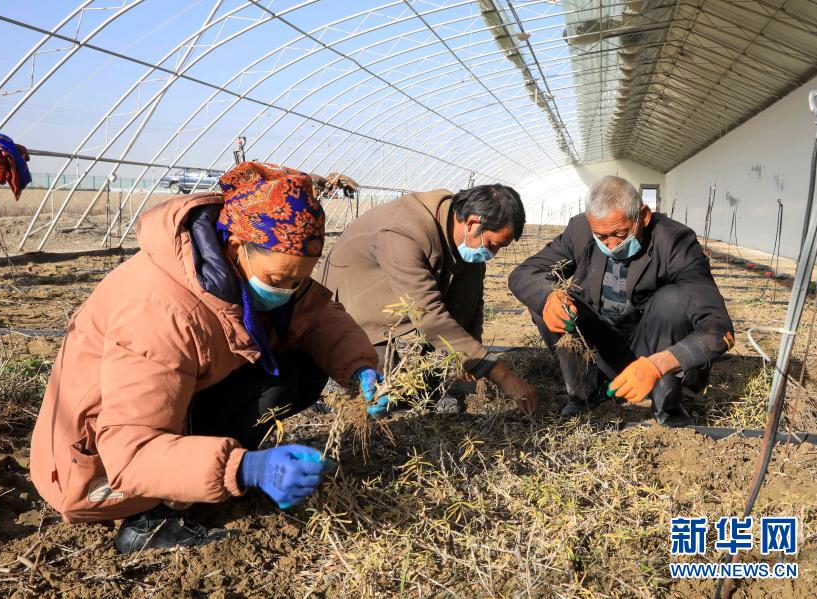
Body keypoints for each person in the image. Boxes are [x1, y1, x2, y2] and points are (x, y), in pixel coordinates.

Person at [30, 162, 382, 552]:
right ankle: (148, 521)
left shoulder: (239, 270)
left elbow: (314, 313)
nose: (289, 290)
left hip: (163, 420)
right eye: (280, 280)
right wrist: (246, 467)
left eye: (300, 279)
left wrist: (360, 366)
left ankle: (207, 473)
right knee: (272, 388)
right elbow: (130, 453)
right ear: (236, 247)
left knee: (294, 373)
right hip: (97, 468)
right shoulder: (160, 310)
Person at [508, 175, 734, 425]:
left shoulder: (674, 242)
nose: (612, 245)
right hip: (600, 344)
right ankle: (585, 394)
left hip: (651, 345)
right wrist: (549, 298)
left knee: (673, 301)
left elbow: (718, 327)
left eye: (620, 233)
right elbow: (525, 274)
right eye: (602, 237)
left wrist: (659, 364)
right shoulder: (580, 230)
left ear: (644, 216)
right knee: (549, 304)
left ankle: (667, 403)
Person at [319, 184, 539, 416]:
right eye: (493, 244)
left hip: (397, 297)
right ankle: (345, 380)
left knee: (471, 274)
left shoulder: (457, 232)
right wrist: (501, 374)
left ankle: (435, 384)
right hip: (351, 307)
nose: (493, 254)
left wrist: (469, 357)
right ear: (473, 223)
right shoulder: (402, 231)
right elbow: (429, 314)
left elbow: (472, 301)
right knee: (386, 394)